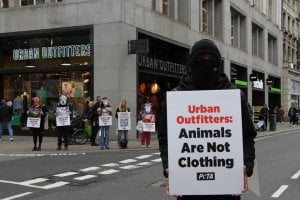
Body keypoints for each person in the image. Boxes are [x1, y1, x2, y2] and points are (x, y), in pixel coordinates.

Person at [157, 39, 257, 200]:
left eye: (211, 58)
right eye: (201, 57)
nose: (206, 61)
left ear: (218, 62)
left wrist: (246, 166)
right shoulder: (176, 97)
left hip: (227, 187)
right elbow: (164, 137)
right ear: (191, 63)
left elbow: (248, 135)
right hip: (188, 187)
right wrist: (169, 167)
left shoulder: (235, 95)